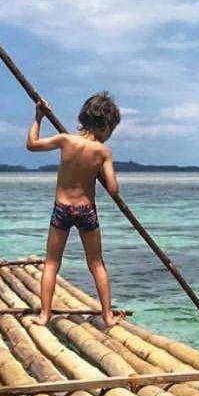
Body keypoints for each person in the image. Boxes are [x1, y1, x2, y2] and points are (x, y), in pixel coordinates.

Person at [26, 91, 123, 328]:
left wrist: (38, 117)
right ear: (105, 126)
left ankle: (44, 315)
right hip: (86, 211)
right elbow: (113, 189)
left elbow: (32, 145)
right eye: (111, 130)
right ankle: (108, 316)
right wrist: (99, 171)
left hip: (62, 209)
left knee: (51, 262)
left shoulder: (65, 140)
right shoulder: (103, 152)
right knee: (96, 263)